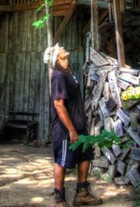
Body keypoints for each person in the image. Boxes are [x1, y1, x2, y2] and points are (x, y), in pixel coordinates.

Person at [44, 43, 103, 207]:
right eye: (59, 49)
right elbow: (58, 104)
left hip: (78, 125)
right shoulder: (58, 76)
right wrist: (71, 130)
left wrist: (78, 126)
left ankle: (82, 194)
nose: (62, 48)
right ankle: (59, 200)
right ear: (56, 57)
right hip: (65, 129)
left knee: (85, 157)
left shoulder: (68, 72)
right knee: (62, 161)